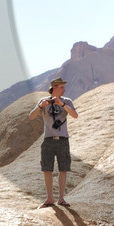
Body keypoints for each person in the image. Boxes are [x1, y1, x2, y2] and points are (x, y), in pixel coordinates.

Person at [27, 77, 78, 208]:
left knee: (63, 169)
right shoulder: (43, 101)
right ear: (54, 88)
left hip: (63, 139)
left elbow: (75, 115)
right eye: (61, 87)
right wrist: (40, 106)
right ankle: (49, 198)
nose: (64, 90)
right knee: (47, 169)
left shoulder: (67, 101)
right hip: (48, 140)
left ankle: (61, 198)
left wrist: (62, 105)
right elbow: (31, 117)